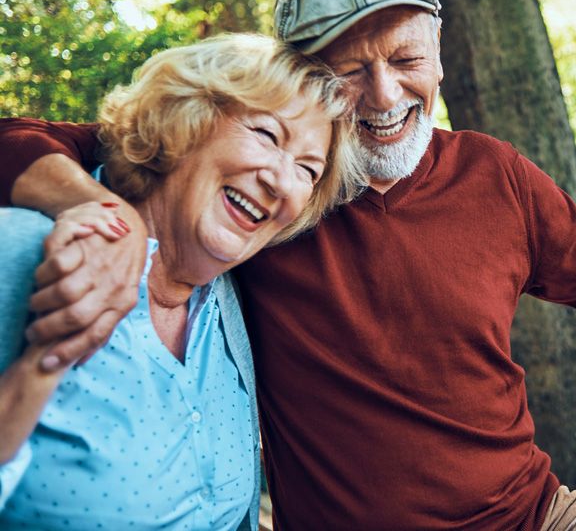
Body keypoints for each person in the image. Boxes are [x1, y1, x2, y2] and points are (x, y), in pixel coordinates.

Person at [0, 0, 576, 531]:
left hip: (537, 514)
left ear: (439, 55)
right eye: (350, 71)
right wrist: (101, 209)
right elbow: (65, 140)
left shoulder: (493, 174)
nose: (385, 95)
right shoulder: (252, 204)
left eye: (407, 60)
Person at [0, 32, 362, 530]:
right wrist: (42, 363)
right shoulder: (22, 252)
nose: (281, 180)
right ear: (185, 120)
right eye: (266, 134)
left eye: (307, 168)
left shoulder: (233, 307)